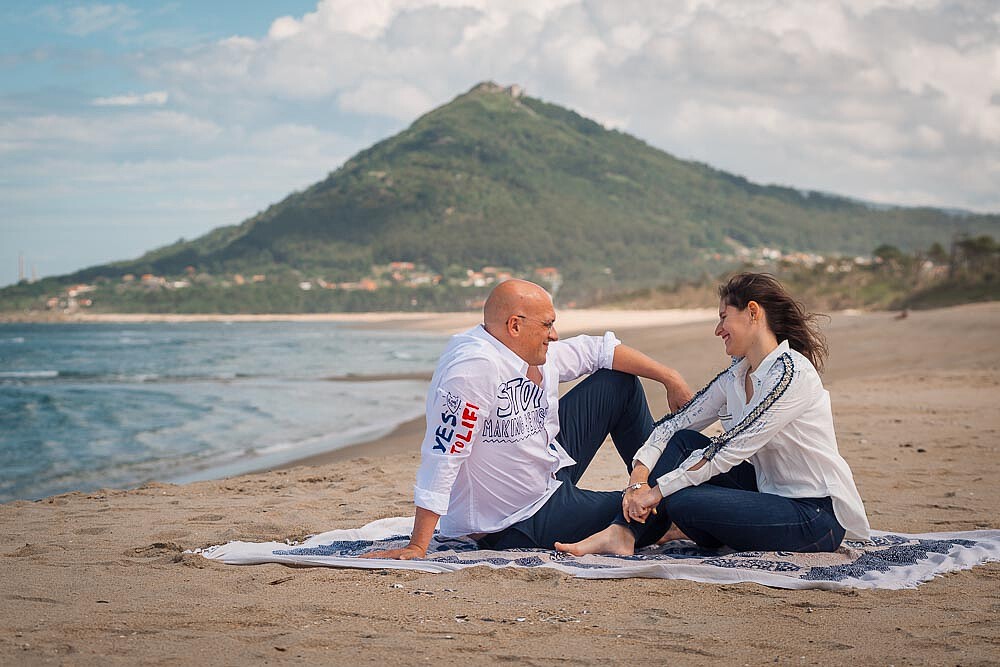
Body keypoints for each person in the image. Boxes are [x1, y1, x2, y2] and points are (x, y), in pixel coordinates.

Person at [366, 279, 692, 559]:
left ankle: (660, 482)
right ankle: (653, 520)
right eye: (547, 325)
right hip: (515, 519)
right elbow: (444, 454)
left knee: (618, 383)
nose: (554, 335)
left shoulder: (526, 348)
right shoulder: (473, 370)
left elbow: (599, 351)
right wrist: (418, 545)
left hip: (545, 472)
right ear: (515, 326)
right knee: (662, 510)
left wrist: (670, 378)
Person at [556, 273, 870, 557]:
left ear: (753, 312)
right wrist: (638, 479)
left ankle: (655, 527)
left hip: (814, 515)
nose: (718, 330)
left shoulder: (791, 375)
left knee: (681, 500)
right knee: (682, 442)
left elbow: (731, 447)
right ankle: (623, 533)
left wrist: (656, 492)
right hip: (768, 492)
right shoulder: (737, 375)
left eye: (723, 317)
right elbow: (673, 425)